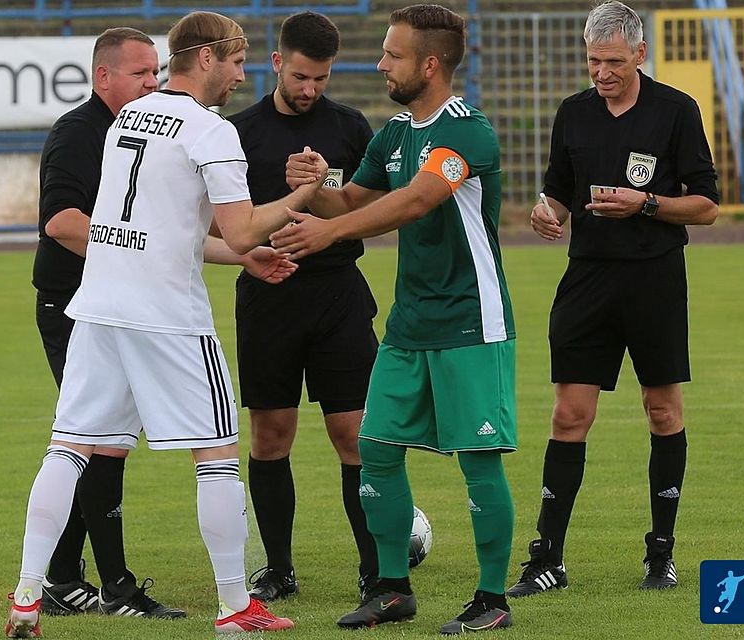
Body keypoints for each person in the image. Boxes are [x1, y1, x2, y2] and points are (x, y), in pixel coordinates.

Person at [6, 11, 328, 638]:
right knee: (217, 456)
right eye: (236, 61)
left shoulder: (129, 118)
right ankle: (236, 607)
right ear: (206, 57)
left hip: (99, 305)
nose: (242, 74)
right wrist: (300, 198)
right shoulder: (210, 131)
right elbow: (239, 225)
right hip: (168, 316)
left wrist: (243, 256)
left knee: (68, 446)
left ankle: (24, 597)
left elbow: (159, 231)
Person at [270, 4, 517, 633]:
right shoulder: (397, 132)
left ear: (430, 64)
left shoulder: (467, 131)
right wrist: (308, 187)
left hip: (469, 321)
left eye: (393, 55)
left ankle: (492, 599)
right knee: (375, 449)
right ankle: (391, 589)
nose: (381, 63)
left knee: (478, 460)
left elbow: (417, 199)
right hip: (410, 323)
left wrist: (329, 233)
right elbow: (352, 197)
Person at [505, 0, 718, 599]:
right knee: (569, 415)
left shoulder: (676, 111)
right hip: (587, 280)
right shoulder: (573, 113)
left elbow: (705, 205)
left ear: (640, 54)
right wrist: (547, 213)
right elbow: (556, 192)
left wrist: (644, 204)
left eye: (614, 62)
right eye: (594, 60)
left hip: (653, 280)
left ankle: (661, 553)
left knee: (662, 411)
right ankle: (547, 557)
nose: (601, 73)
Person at [227, 11, 380, 604]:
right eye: (300, 76)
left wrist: (320, 190)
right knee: (271, 433)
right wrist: (281, 205)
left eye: (320, 78)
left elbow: (369, 214)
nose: (310, 89)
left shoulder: (349, 127)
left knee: (355, 434)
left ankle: (376, 568)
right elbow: (227, 221)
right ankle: (280, 569)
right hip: (268, 297)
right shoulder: (238, 134)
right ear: (276, 63)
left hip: (338, 294)